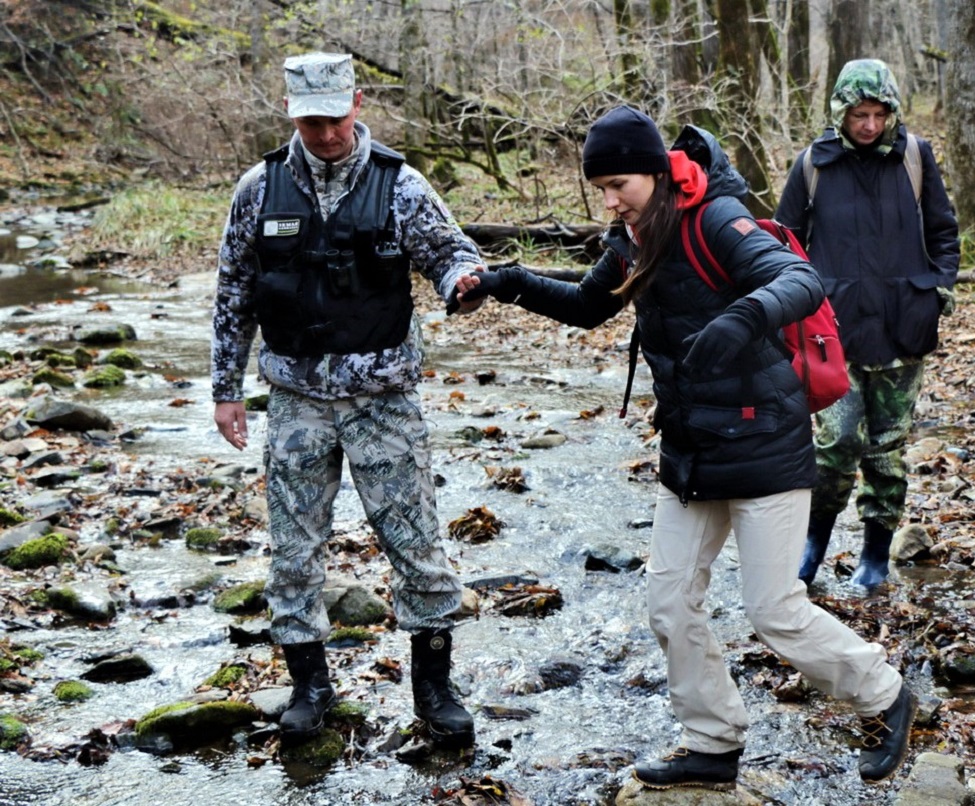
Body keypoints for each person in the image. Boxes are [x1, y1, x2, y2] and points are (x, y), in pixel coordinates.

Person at [456, 105, 915, 789]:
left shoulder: (715, 220)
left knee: (773, 611)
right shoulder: (634, 234)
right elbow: (590, 305)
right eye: (601, 189)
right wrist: (509, 282)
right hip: (693, 449)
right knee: (669, 603)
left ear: (654, 171)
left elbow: (800, 280)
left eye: (621, 185)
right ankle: (712, 740)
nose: (611, 202)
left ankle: (885, 695)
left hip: (765, 443)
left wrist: (743, 316)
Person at [210, 52, 484, 747]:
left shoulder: (403, 186)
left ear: (357, 104)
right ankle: (309, 683)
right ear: (289, 113)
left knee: (417, 545)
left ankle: (434, 687)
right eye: (311, 120)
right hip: (296, 398)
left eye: (335, 117)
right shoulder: (258, 189)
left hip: (383, 398)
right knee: (294, 552)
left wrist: (462, 282)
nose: (326, 131)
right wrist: (226, 391)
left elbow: (449, 253)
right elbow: (233, 295)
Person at [775, 59, 960, 594]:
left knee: (887, 449)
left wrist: (938, 293)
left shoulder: (915, 157)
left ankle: (876, 552)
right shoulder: (813, 164)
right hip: (832, 334)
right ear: (841, 111)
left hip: (905, 326)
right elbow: (782, 244)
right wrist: (796, 308)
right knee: (835, 446)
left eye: (880, 114)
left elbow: (944, 232)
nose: (871, 125)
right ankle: (813, 543)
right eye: (860, 114)